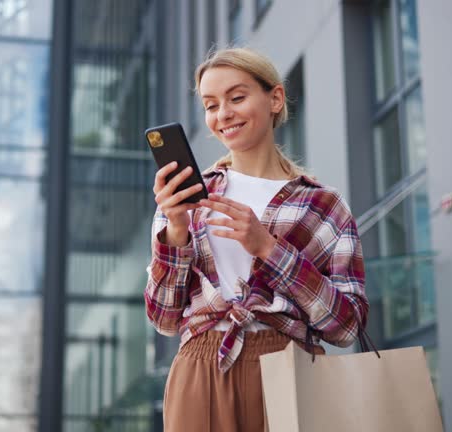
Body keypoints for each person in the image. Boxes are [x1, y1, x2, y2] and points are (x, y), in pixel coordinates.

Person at [144, 47, 368, 431]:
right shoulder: (186, 199)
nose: (223, 115)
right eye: (211, 105)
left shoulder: (323, 204)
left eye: (237, 97)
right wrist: (176, 232)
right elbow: (163, 318)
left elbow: (347, 327)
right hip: (202, 363)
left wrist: (270, 249)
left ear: (274, 98)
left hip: (291, 363)